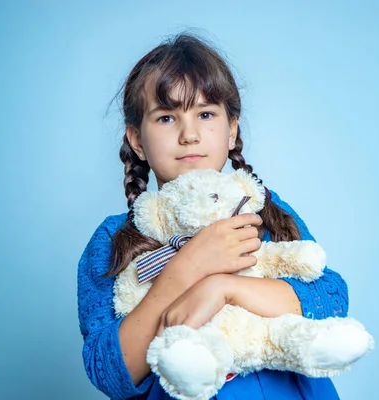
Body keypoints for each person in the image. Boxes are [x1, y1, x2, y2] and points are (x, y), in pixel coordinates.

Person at [77, 33, 350, 400]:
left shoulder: (263, 209)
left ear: (232, 129)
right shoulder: (114, 240)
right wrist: (185, 268)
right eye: (166, 118)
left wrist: (222, 288)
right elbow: (109, 372)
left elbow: (330, 299)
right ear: (137, 140)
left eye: (205, 114)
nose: (189, 134)